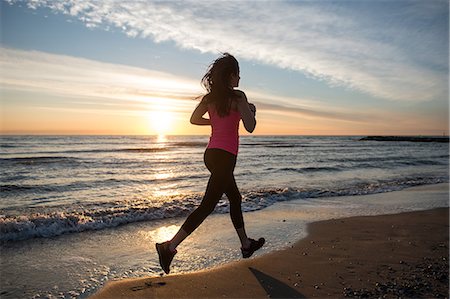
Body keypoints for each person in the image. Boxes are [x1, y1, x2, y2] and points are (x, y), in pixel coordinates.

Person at [156, 53, 265, 274]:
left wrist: (214, 121)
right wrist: (251, 111)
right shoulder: (238, 97)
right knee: (207, 206)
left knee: (235, 197)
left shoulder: (209, 99)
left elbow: (194, 119)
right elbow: (251, 126)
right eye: (238, 75)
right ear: (231, 75)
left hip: (211, 154)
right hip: (225, 157)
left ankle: (246, 245)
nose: (239, 80)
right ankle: (169, 246)